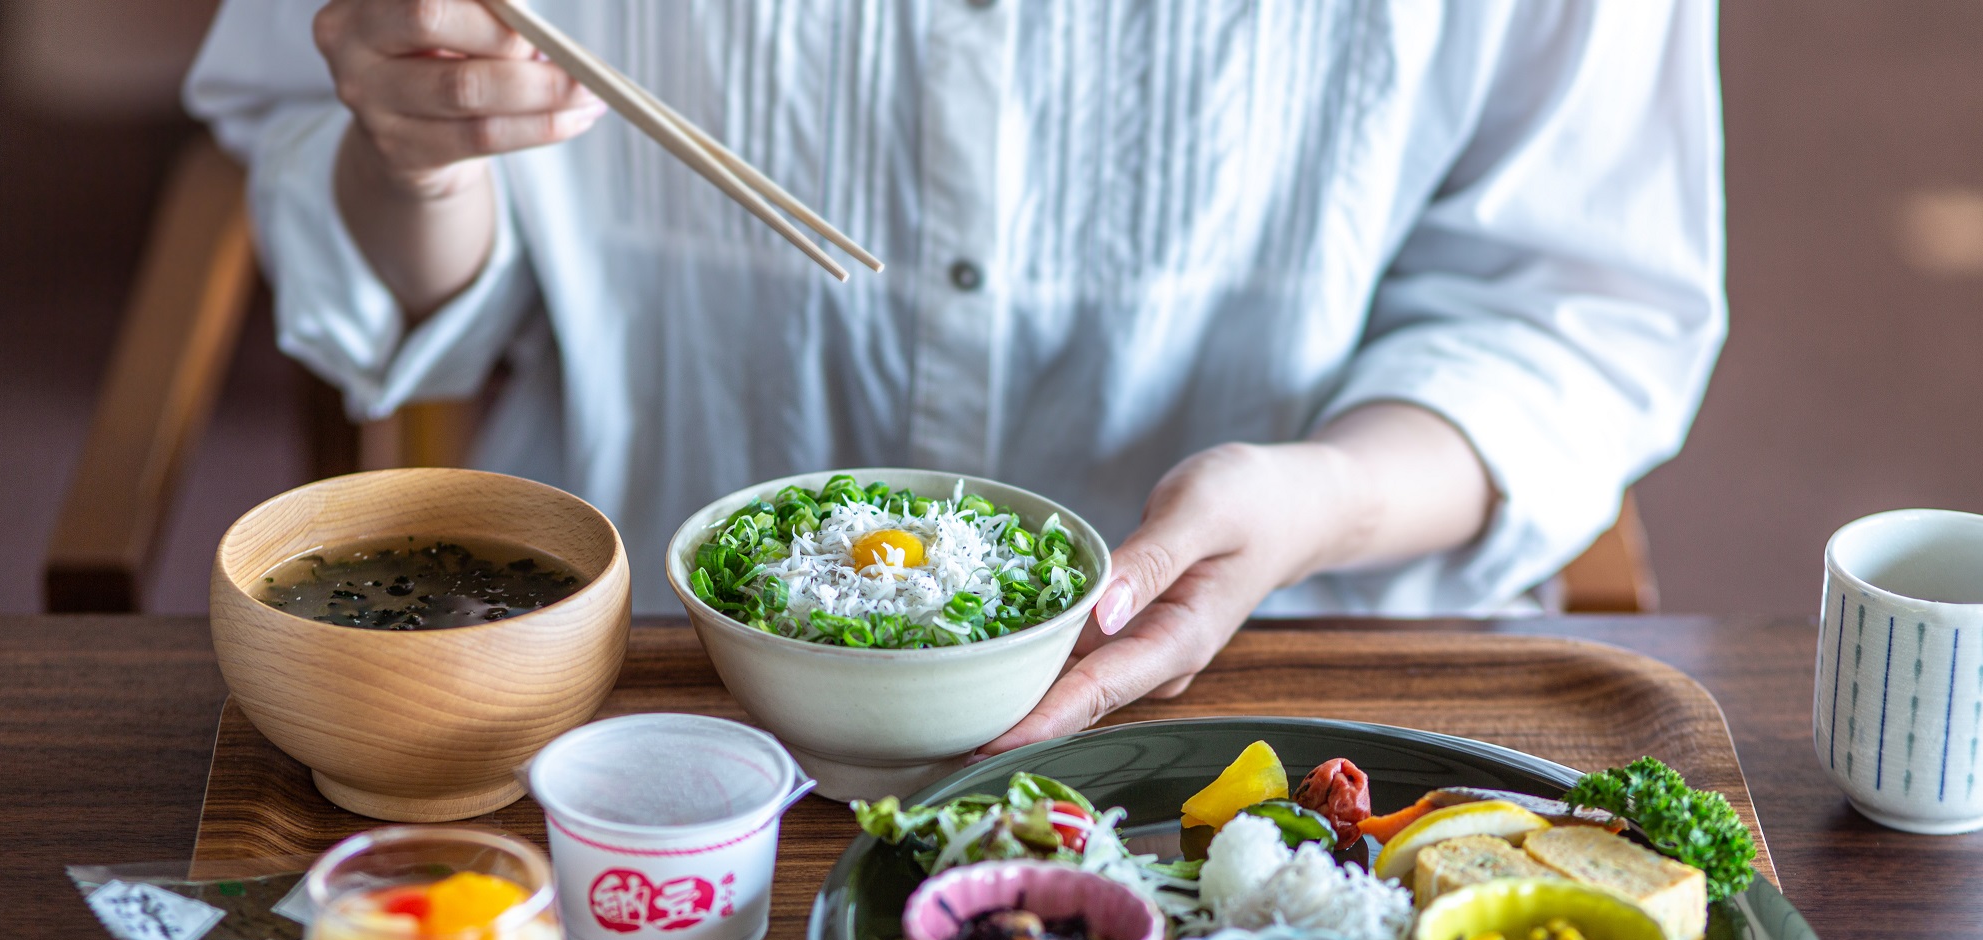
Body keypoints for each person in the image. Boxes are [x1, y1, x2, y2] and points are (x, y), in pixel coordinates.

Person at [185, 0, 1724, 752]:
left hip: (1275, 709)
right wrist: (424, 153)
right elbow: (337, 181)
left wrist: (1321, 495)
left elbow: (1572, 304)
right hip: (652, 697)